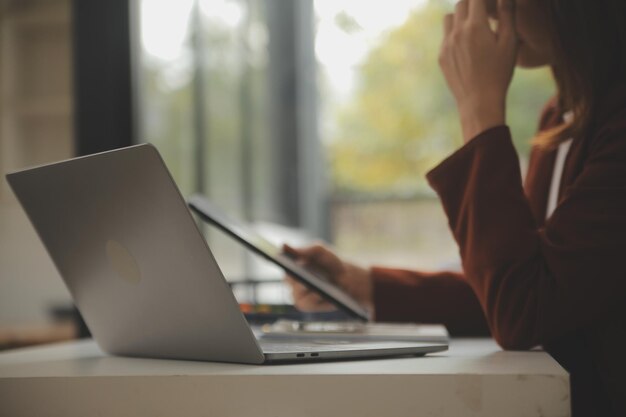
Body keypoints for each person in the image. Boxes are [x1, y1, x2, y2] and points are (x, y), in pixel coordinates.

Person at [285, 0, 626, 415]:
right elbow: (521, 284)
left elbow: (522, 309)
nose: (485, 10)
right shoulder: (561, 115)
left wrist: (479, 109)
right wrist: (362, 285)